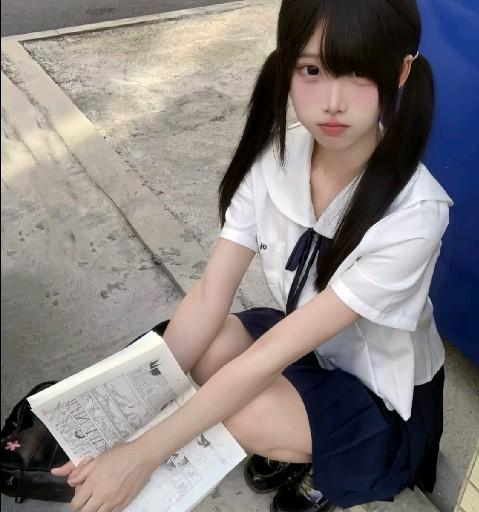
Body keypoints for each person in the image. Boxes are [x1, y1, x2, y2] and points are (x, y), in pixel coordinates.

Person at [51, 0, 454, 511]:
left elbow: (273, 353)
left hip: (377, 393)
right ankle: (294, 435)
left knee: (246, 413)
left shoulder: (415, 214)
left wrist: (143, 454)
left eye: (358, 73)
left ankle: (324, 462)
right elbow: (208, 296)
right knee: (208, 346)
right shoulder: (275, 159)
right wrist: (123, 428)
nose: (332, 102)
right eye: (312, 70)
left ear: (400, 71)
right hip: (308, 348)